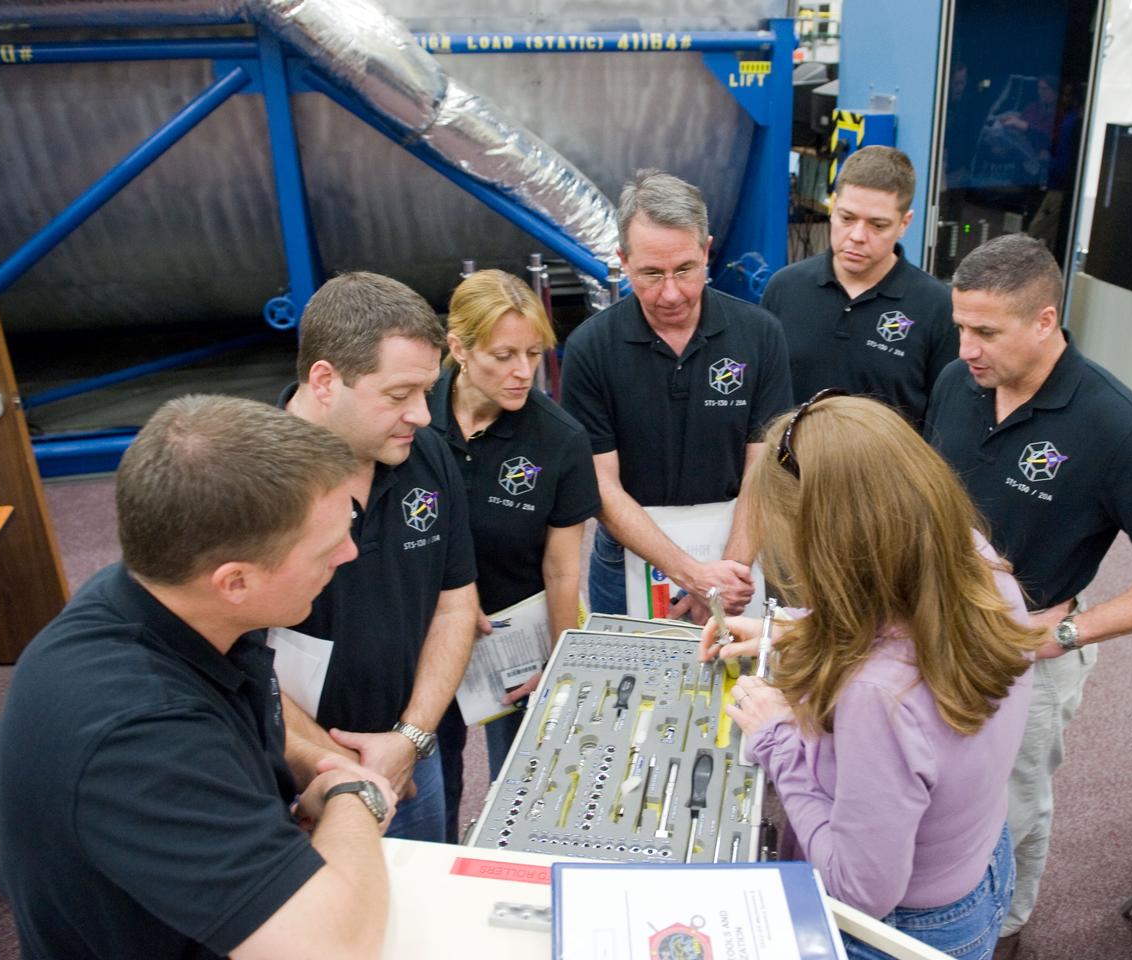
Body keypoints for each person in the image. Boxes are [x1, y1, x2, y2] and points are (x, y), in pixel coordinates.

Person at [0, 396, 395, 960]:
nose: (350, 553)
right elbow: (332, 947)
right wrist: (355, 793)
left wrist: (317, 764)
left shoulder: (175, 598)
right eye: (327, 548)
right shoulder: (138, 730)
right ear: (234, 581)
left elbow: (254, 724)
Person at [923, 233, 1132, 943]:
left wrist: (1065, 634)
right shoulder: (959, 381)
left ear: (1044, 320)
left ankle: (1004, 927)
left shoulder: (1117, 425)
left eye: (986, 331)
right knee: (939, 787)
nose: (966, 347)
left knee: (1011, 806)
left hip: (1028, 650)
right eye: (960, 326)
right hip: (935, 626)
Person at [701, 393, 1042, 960]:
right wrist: (791, 626)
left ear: (830, 540)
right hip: (978, 864)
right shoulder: (974, 560)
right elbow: (891, 603)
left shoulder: (877, 696)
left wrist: (778, 740)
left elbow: (859, 893)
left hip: (903, 932)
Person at [280, 271, 479, 844]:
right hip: (295, 777)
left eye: (427, 390)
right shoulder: (249, 484)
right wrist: (342, 770)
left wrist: (409, 741)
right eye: (398, 395)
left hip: (411, 758)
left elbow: (454, 606)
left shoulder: (428, 456)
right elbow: (236, 661)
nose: (422, 413)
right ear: (324, 380)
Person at [561, 169, 793, 621]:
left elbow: (763, 469)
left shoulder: (759, 335)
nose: (671, 293)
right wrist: (691, 575)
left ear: (707, 251)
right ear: (623, 262)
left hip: (737, 546)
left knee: (739, 684)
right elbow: (602, 485)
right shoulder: (592, 349)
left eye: (685, 269)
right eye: (650, 274)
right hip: (629, 552)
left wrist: (728, 575)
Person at [428, 269, 600, 839]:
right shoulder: (413, 417)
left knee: (522, 782)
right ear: (458, 348)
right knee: (431, 772)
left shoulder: (559, 438)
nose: (523, 371)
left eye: (533, 352)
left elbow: (562, 564)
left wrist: (559, 657)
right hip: (423, 631)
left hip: (512, 640)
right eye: (503, 355)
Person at [761, 145, 955, 424]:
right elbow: (762, 398)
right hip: (792, 466)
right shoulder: (785, 288)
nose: (857, 236)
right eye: (847, 218)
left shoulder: (936, 308)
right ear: (832, 206)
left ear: (904, 223)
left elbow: (944, 418)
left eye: (877, 225)